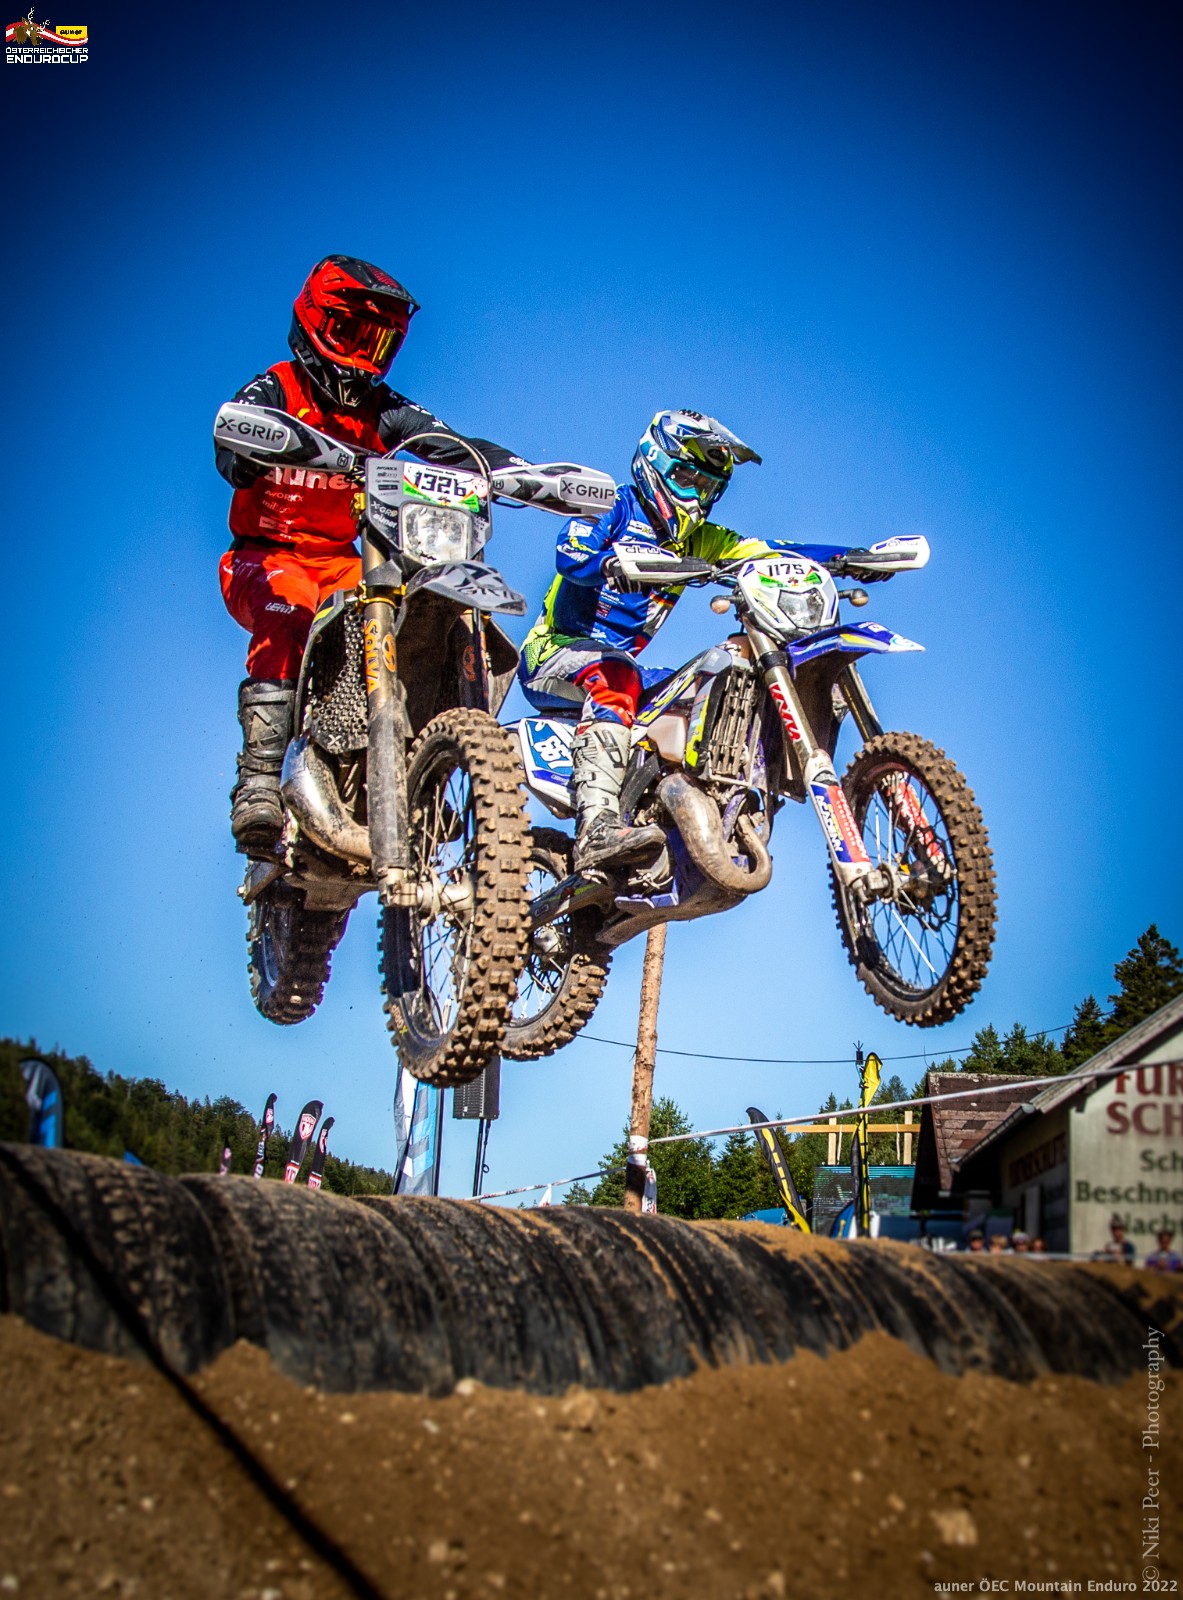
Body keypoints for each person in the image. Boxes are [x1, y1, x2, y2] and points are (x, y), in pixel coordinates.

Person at [214, 255, 528, 854]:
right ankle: (259, 781)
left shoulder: (382, 409)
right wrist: (248, 453)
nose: (364, 355)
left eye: (378, 341)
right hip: (269, 557)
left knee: (420, 610)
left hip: (347, 560)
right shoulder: (277, 388)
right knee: (289, 613)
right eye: (352, 333)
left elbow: (449, 444)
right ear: (315, 322)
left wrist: (520, 472)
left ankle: (416, 767)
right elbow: (233, 443)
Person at [519, 408, 834, 870]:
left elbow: (774, 552)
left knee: (705, 686)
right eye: (687, 479)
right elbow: (571, 552)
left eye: (708, 487)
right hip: (553, 653)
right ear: (655, 462)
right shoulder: (614, 506)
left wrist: (851, 557)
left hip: (622, 666)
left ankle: (675, 819)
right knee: (620, 674)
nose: (696, 495)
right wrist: (609, 563)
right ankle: (596, 827)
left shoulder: (699, 540)